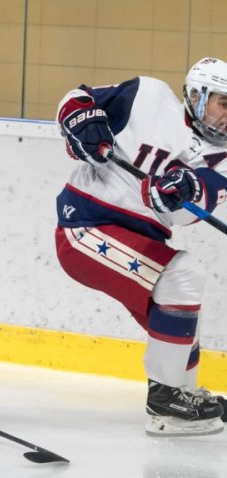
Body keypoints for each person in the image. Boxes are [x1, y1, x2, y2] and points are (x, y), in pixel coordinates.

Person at [55, 57, 227, 436]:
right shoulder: (147, 96)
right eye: (223, 103)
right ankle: (166, 397)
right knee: (184, 276)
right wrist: (82, 124)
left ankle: (182, 396)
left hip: (138, 243)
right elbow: (78, 98)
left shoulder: (225, 160)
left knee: (181, 316)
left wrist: (183, 189)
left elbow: (185, 211)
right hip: (85, 225)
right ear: (196, 96)